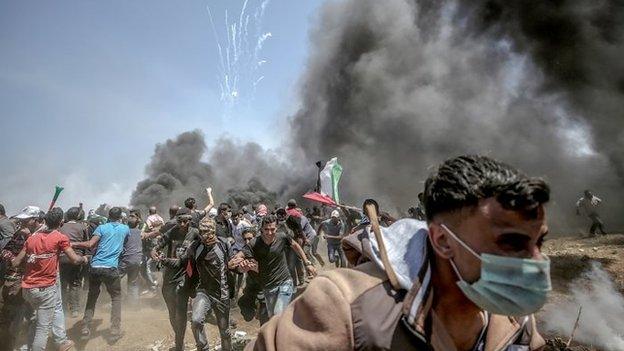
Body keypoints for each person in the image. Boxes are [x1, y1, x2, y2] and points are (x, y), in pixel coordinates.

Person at [247, 155, 551, 350]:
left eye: (540, 244)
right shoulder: (348, 307)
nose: (536, 262)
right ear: (443, 241)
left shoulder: (515, 318)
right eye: (511, 243)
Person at [12, 207, 87, 351]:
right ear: (61, 222)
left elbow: (15, 263)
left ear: (44, 220)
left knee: (36, 319)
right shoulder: (60, 238)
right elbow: (74, 260)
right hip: (46, 288)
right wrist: (84, 259)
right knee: (43, 327)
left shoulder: (31, 238)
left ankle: (27, 347)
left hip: (27, 288)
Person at [232, 215, 317, 318]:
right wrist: (237, 263)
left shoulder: (282, 237)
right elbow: (239, 256)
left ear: (276, 228)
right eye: (266, 229)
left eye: (272, 229)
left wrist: (307, 263)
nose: (269, 233)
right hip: (268, 287)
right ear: (261, 229)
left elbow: (296, 246)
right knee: (273, 317)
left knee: (278, 313)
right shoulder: (254, 243)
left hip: (284, 282)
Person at [72, 207, 130, 340]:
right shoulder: (125, 229)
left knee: (92, 297)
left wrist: (72, 243)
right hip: (111, 268)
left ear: (109, 216)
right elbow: (125, 242)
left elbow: (90, 244)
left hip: (95, 266)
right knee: (116, 297)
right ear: (120, 217)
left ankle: (85, 326)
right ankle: (115, 329)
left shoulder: (102, 228)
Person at [150, 208, 199, 351]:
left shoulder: (195, 233)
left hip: (185, 275)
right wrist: (154, 253)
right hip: (169, 275)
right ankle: (179, 339)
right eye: (179, 221)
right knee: (172, 312)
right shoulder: (172, 231)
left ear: (190, 221)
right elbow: (157, 246)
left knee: (181, 311)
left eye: (185, 221)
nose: (182, 224)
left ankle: (179, 344)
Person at [183, 217, 233, 351]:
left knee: (225, 332)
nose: (203, 234)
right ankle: (203, 348)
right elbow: (190, 270)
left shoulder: (223, 245)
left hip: (222, 293)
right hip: (203, 291)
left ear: (213, 231)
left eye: (206, 231)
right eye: (201, 231)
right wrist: (189, 292)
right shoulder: (195, 246)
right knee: (196, 320)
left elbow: (233, 265)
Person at [0, 206, 46, 350]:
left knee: (34, 316)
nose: (23, 223)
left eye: (26, 220)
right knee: (14, 315)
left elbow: (43, 257)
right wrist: (12, 259)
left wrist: (30, 239)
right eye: (22, 220)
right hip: (15, 280)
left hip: (35, 281)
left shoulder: (45, 234)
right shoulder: (19, 233)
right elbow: (6, 251)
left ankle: (29, 344)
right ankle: (10, 345)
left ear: (35, 220)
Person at [229, 227, 269, 325]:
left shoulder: (265, 249)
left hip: (267, 287)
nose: (247, 241)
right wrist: (237, 266)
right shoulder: (246, 250)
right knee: (243, 303)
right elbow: (236, 261)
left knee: (266, 319)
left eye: (250, 239)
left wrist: (255, 268)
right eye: (245, 239)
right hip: (252, 286)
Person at [59, 206, 90, 318]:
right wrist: (86, 257)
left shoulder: (61, 227)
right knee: (74, 283)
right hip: (76, 258)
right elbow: (87, 243)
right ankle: (75, 309)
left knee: (62, 284)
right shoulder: (82, 227)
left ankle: (63, 308)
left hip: (61, 258)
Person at [120, 210, 143, 304]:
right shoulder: (140, 232)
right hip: (137, 260)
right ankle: (133, 303)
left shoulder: (124, 231)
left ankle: (117, 299)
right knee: (133, 281)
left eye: (132, 216)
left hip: (126, 260)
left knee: (115, 279)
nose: (130, 218)